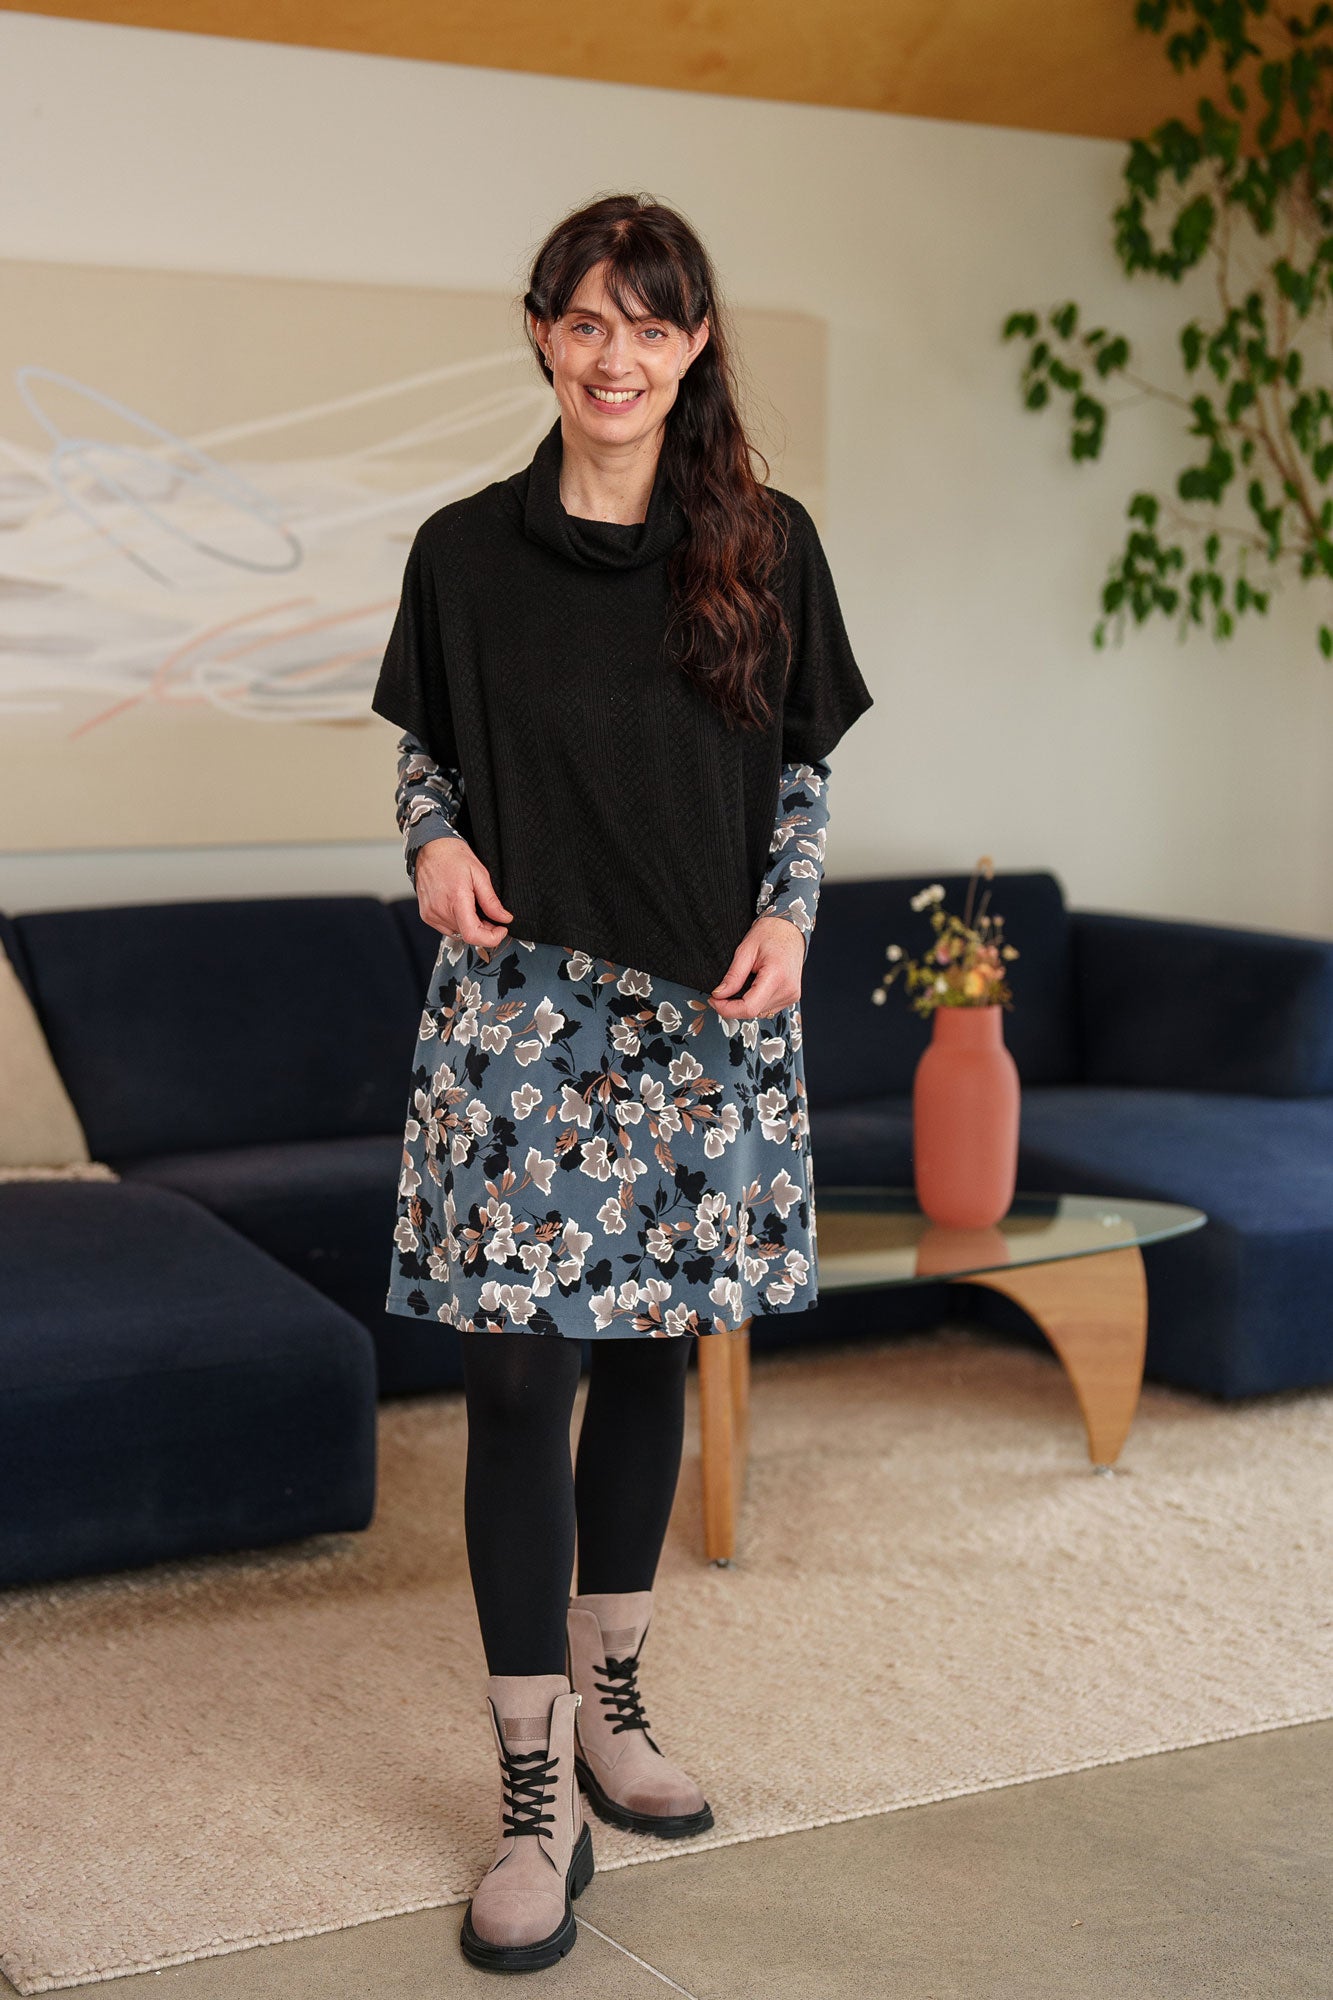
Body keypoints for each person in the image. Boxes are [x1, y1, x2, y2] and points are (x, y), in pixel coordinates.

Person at [370, 191, 873, 1974]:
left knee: (656, 1366)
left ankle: (614, 1707)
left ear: (692, 347)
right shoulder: (460, 551)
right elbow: (426, 751)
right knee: (518, 1396)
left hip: (701, 1021)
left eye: (649, 326)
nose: (615, 354)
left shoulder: (764, 542)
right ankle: (527, 1799)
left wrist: (796, 921)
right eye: (585, 321)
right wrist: (432, 843)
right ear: (537, 333)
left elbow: (801, 770)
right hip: (518, 1021)